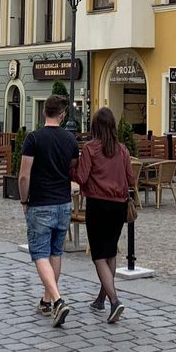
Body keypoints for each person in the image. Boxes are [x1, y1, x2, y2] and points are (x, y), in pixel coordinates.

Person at [18, 94, 78, 328]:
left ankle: (58, 300)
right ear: (62, 115)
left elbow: (24, 175)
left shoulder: (33, 139)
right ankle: (46, 301)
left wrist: (24, 200)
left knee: (40, 253)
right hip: (63, 202)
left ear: (45, 112)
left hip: (40, 202)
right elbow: (72, 168)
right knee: (55, 252)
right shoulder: (70, 140)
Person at [73, 107, 136, 324]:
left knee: (99, 255)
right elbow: (131, 179)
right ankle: (101, 298)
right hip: (119, 206)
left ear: (95, 127)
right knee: (110, 252)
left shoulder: (91, 149)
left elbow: (81, 177)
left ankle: (114, 300)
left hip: (98, 205)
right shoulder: (123, 150)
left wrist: (69, 168)